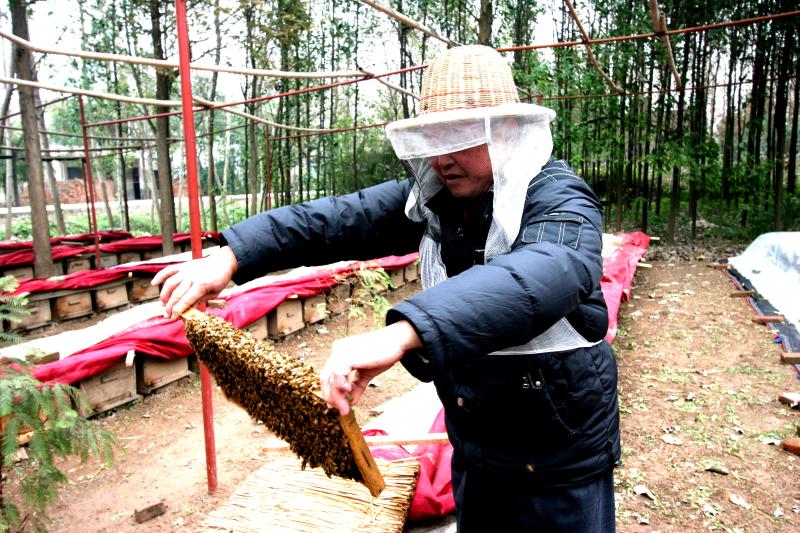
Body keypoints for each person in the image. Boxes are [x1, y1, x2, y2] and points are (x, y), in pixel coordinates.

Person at [154, 45, 619, 532]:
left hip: (558, 453)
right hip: (476, 440)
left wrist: (401, 333)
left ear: (506, 131)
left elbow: (545, 271)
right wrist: (231, 256)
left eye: (460, 137)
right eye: (434, 138)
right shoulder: (437, 201)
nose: (443, 158)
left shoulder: (559, 198)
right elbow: (335, 218)